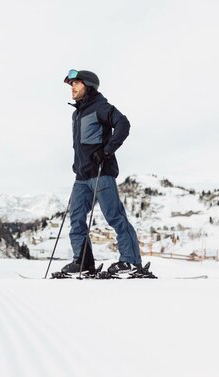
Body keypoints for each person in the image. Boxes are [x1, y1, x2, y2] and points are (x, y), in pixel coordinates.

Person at [62, 69, 142, 275]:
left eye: (76, 83)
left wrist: (106, 151)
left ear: (88, 86)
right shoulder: (77, 113)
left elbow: (123, 124)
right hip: (82, 176)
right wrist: (77, 164)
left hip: (101, 173)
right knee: (76, 218)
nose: (73, 87)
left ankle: (131, 262)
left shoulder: (101, 107)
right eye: (71, 84)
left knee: (114, 216)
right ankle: (83, 262)